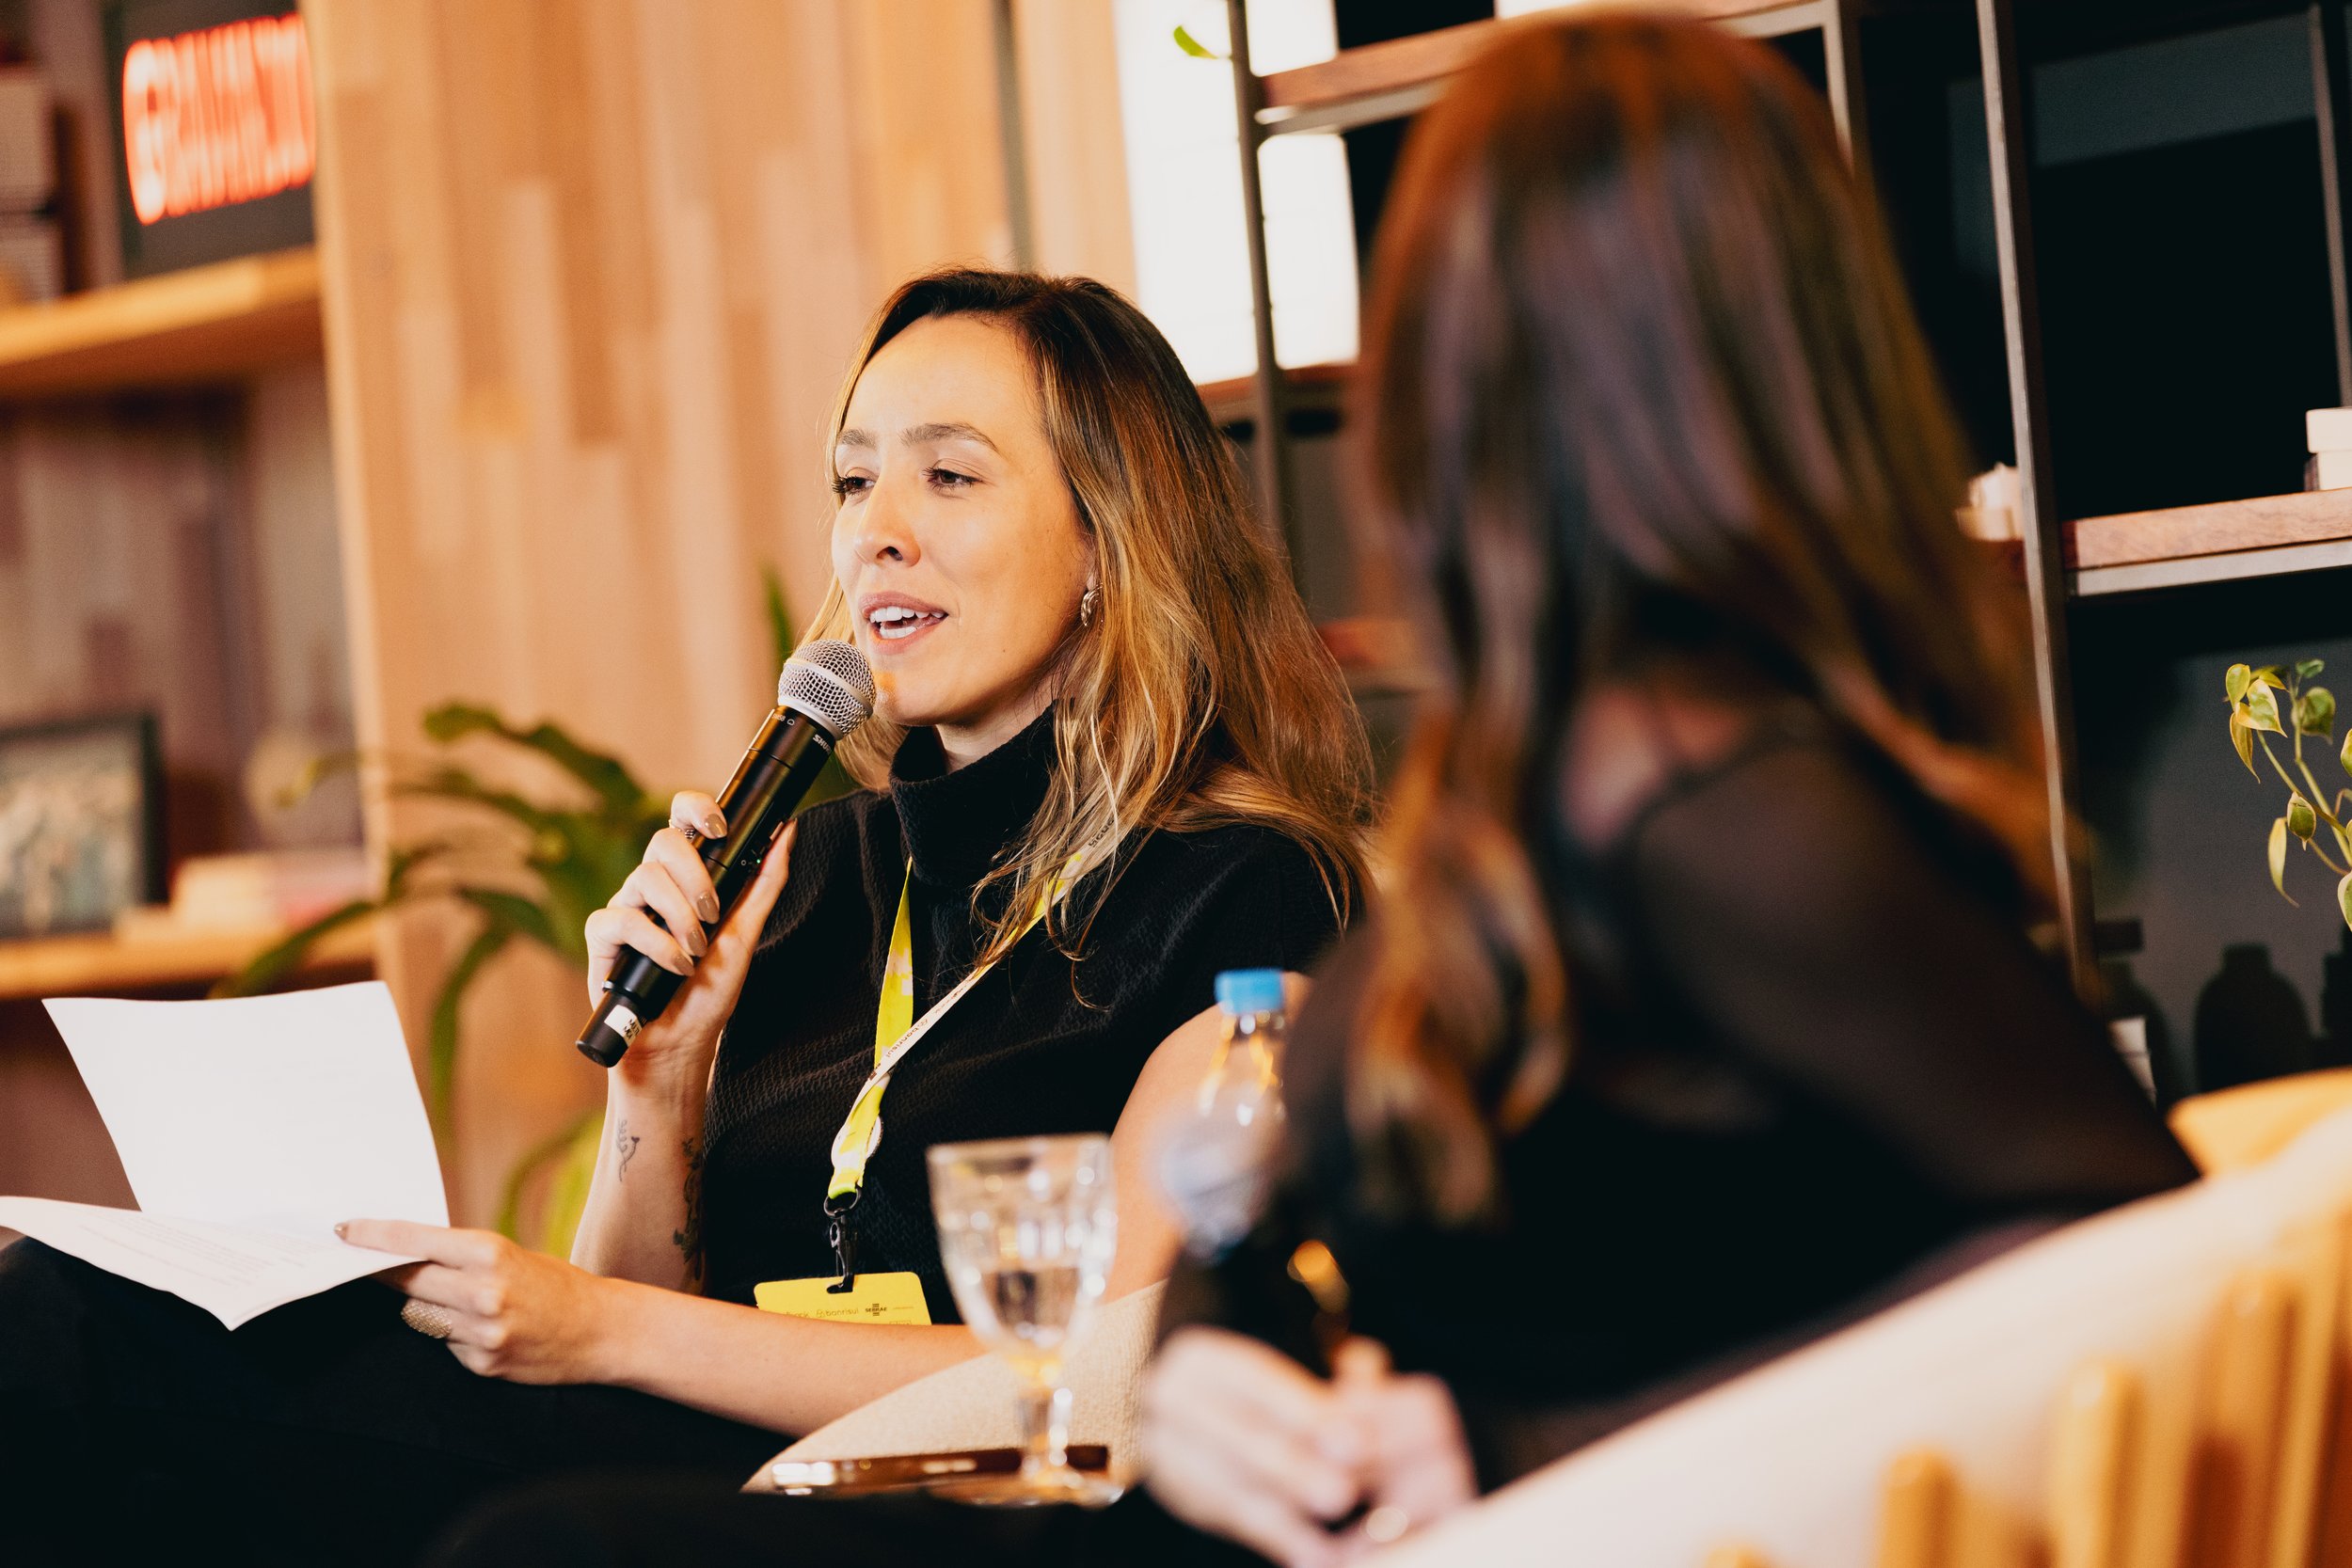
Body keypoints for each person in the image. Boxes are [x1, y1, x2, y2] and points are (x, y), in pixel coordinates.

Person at [420, 13, 2197, 1568]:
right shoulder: (1556, 806)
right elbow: (1235, 1306)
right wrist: (1239, 1380)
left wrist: (1508, 1441)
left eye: (1443, 343)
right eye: (855, 479)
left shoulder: (1704, 810)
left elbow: (2135, 1261)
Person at [0, 269, 1371, 1567]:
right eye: (854, 480)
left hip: (956, 1509)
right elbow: (626, 1309)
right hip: (692, 1457)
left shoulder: (1246, 891)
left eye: (949, 475)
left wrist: (605, 1331)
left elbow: (1102, 1378)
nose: (876, 530)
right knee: (67, 1320)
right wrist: (658, 1084)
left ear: (1107, 541)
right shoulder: (813, 865)